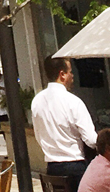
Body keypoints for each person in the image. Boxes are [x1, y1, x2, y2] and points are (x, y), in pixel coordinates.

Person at [31, 58, 98, 192]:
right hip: (75, 166)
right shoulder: (73, 102)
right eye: (70, 72)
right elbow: (91, 140)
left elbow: (38, 135)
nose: (72, 76)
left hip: (52, 168)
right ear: (62, 74)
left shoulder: (37, 101)